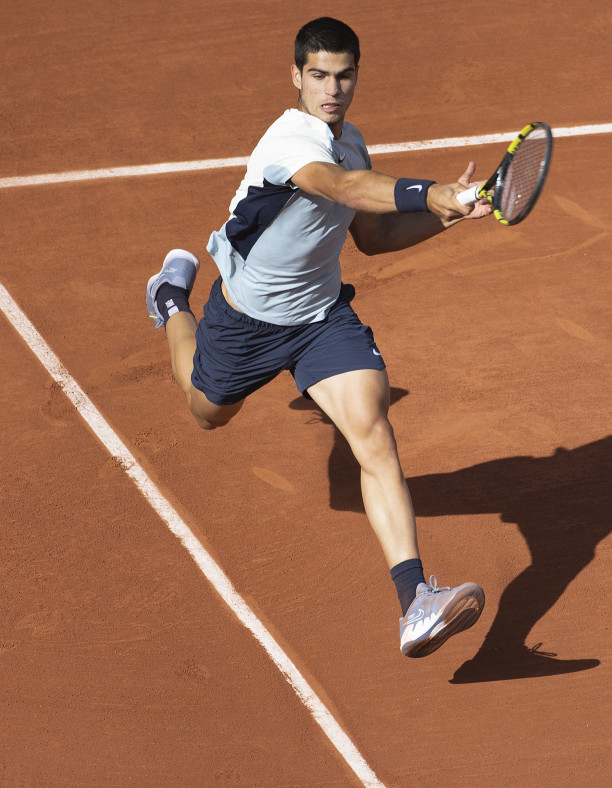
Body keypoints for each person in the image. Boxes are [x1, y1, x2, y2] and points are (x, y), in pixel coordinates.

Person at [144, 17, 489, 659]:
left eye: (345, 75)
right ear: (297, 77)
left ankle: (416, 603)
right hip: (246, 318)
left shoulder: (351, 140)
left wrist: (449, 215)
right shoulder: (290, 139)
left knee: (374, 429)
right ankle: (170, 301)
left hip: (319, 317)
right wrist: (430, 190)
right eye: (320, 76)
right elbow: (343, 188)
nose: (333, 89)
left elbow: (373, 237)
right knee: (206, 410)